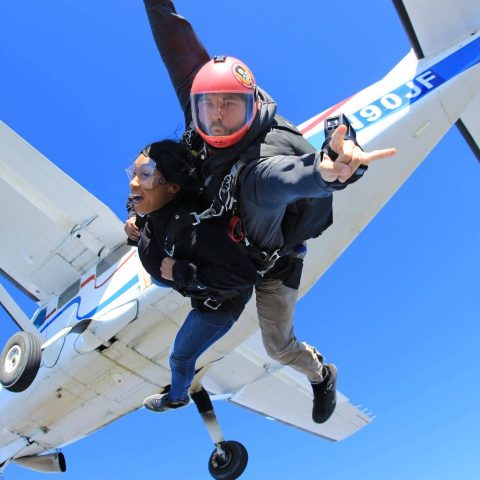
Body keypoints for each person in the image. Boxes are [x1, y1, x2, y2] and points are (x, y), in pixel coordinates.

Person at [132, 0, 396, 424]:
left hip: (273, 263)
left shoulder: (259, 167)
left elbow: (288, 178)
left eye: (230, 107)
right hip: (221, 254)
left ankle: (321, 374)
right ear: (196, 104)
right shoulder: (201, 113)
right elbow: (177, 46)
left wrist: (329, 171)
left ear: (251, 104)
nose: (217, 118)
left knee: (278, 346)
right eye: (208, 107)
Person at [128, 139, 258, 411]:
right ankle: (162, 277)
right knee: (157, 279)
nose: (133, 183)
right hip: (170, 274)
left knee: (180, 357)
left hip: (216, 306)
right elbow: (138, 198)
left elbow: (244, 276)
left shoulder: (195, 231)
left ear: (173, 186)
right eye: (133, 174)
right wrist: (133, 217)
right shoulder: (158, 204)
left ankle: (176, 397)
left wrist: (181, 272)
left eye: (145, 176)